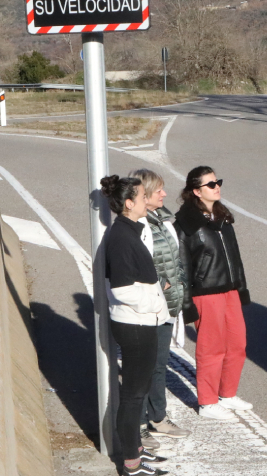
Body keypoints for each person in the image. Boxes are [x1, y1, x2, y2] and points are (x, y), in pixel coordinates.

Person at [100, 175, 172, 476]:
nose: (147, 200)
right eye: (143, 196)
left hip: (140, 322)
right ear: (129, 203)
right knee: (132, 396)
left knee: (137, 392)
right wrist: (153, 303)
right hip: (136, 325)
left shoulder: (129, 230)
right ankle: (131, 463)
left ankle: (137, 452)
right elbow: (122, 290)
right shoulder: (121, 237)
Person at [175, 166, 251, 421]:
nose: (216, 187)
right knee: (211, 349)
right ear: (196, 191)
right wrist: (187, 303)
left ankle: (227, 394)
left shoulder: (222, 217)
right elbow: (182, 266)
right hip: (205, 293)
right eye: (210, 184)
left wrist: (241, 287)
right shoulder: (186, 223)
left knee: (237, 344)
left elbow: (235, 257)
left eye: (217, 182)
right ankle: (207, 402)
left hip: (229, 290)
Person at [129, 169, 196, 450]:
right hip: (148, 307)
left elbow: (174, 258)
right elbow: (136, 262)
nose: (164, 194)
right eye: (159, 190)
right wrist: (163, 283)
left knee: (158, 365)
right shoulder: (136, 224)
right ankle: (139, 425)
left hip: (167, 304)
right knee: (142, 368)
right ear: (143, 194)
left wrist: (178, 287)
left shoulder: (161, 219)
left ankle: (157, 417)